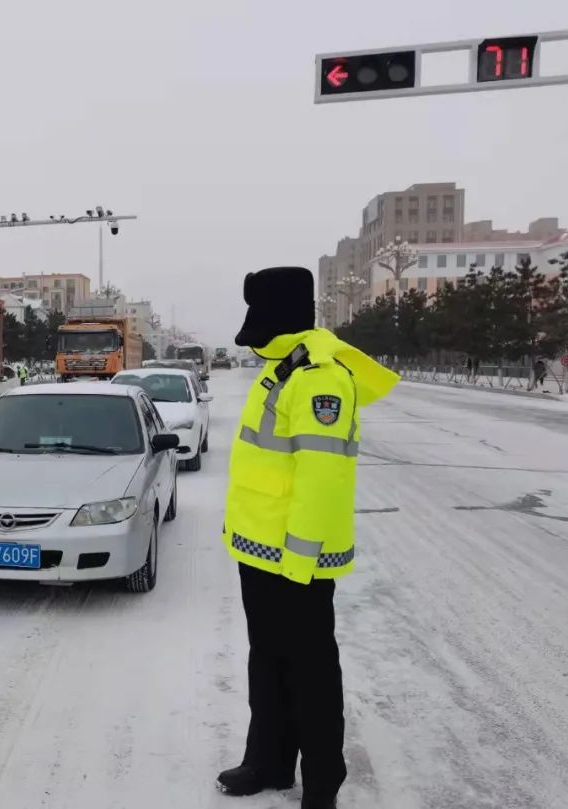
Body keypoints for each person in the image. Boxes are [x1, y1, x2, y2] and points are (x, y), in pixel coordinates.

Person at [217, 267, 399, 809]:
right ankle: (269, 761)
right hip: (262, 552)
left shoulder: (320, 377)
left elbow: (323, 480)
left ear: (280, 315)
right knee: (267, 660)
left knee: (312, 674)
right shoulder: (284, 368)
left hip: (298, 560)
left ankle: (322, 783)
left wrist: (300, 561)